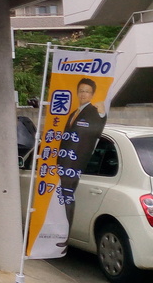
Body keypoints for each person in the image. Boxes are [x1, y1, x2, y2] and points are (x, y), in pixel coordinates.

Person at [56, 77, 106, 242]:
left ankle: (64, 236)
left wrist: (102, 114)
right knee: (63, 199)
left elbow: (98, 127)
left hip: (75, 165)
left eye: (87, 92)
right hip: (64, 163)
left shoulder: (94, 112)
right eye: (81, 91)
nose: (84, 94)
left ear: (92, 94)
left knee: (67, 198)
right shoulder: (73, 113)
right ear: (77, 93)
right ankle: (61, 234)